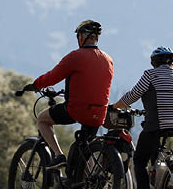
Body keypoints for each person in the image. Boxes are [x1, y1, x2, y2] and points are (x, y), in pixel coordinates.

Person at [24, 20, 114, 169]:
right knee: (84, 147)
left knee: (42, 119)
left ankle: (59, 156)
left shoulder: (76, 56)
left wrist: (36, 85)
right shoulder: (108, 59)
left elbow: (54, 76)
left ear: (81, 37)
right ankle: (88, 185)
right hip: (99, 113)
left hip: (77, 110)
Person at [112, 46, 173, 189]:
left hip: (159, 121)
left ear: (154, 62)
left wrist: (115, 106)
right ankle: (164, 182)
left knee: (139, 159)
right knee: (156, 151)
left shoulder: (150, 74)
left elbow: (133, 95)